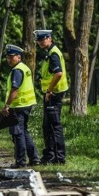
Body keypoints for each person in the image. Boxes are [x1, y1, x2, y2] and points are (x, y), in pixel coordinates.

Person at [0, 44, 41, 168]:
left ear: (18, 57)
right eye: (7, 57)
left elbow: (15, 90)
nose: (8, 59)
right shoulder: (24, 68)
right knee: (24, 132)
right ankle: (34, 158)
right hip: (26, 105)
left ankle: (20, 161)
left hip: (19, 105)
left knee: (17, 134)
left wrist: (7, 105)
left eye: (11, 57)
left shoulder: (17, 70)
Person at [35, 29, 68, 164]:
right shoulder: (51, 52)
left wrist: (49, 90)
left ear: (49, 38)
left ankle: (58, 157)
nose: (40, 42)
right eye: (38, 40)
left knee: (53, 126)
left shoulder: (53, 54)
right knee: (48, 126)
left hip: (53, 94)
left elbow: (58, 73)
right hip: (52, 93)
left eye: (43, 39)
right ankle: (50, 155)